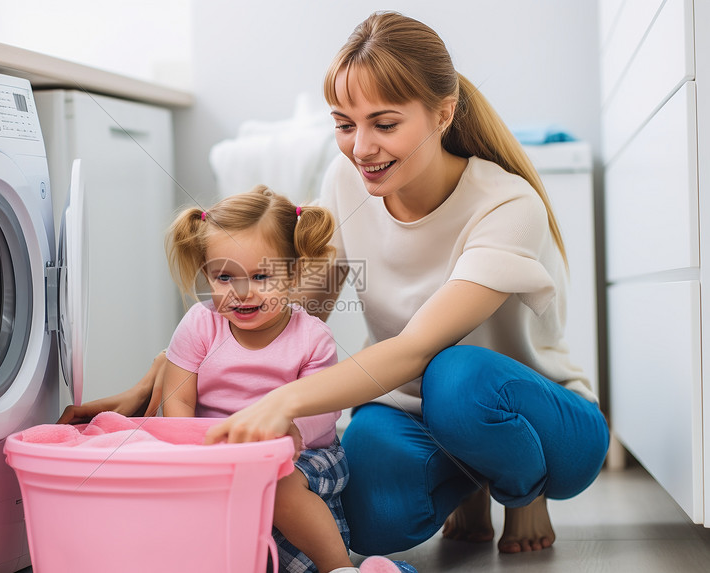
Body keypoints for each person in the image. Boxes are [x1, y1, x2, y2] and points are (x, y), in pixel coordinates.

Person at [61, 9, 609, 563]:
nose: (361, 148)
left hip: (537, 421)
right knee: (361, 524)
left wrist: (284, 400)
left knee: (454, 373)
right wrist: (175, 367)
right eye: (345, 124)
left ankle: (521, 490)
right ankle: (472, 487)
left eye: (385, 124)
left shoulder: (506, 204)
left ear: (444, 114)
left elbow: (418, 348)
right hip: (408, 411)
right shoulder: (347, 180)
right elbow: (290, 312)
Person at [61, 185, 417, 573]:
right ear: (207, 274)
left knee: (276, 484)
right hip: (215, 453)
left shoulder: (311, 337)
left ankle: (339, 567)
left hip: (300, 458)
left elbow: (321, 414)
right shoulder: (200, 325)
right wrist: (194, 454)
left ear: (295, 272)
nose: (242, 293)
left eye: (262, 275)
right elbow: (179, 400)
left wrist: (285, 434)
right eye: (225, 277)